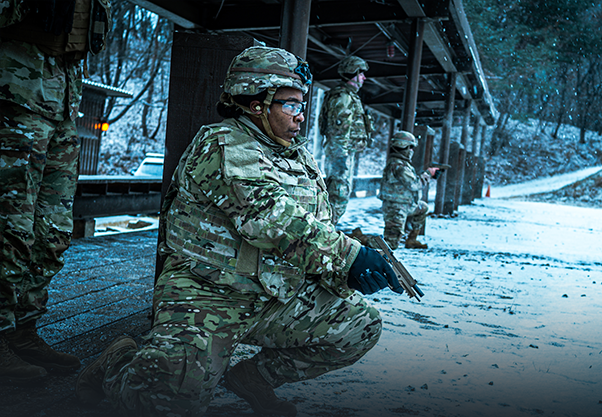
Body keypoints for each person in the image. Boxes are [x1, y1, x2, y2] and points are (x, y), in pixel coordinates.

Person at [75, 46, 403, 417]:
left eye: (302, 104)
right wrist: (349, 256)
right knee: (164, 405)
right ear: (256, 104)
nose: (301, 115)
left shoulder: (296, 156)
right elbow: (268, 217)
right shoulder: (224, 144)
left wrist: (339, 273)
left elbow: (315, 226)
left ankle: (253, 379)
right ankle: (119, 362)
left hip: (273, 295)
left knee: (360, 326)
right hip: (208, 295)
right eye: (291, 105)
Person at [0, 0, 111, 382]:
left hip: (62, 102)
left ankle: (22, 331)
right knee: (9, 229)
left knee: (53, 233)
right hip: (13, 97)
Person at [319, 55, 374, 225]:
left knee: (339, 194)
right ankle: (325, 232)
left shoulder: (348, 96)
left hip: (343, 153)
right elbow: (339, 130)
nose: (364, 78)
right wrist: (340, 158)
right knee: (338, 195)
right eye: (361, 73)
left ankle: (327, 230)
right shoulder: (343, 97)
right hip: (340, 153)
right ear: (352, 73)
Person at [378, 131, 438, 250]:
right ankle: (358, 241)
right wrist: (427, 174)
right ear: (402, 146)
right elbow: (414, 185)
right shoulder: (398, 165)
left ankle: (412, 239)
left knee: (423, 208)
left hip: (405, 204)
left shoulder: (402, 163)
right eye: (410, 147)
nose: (411, 151)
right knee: (390, 243)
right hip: (396, 207)